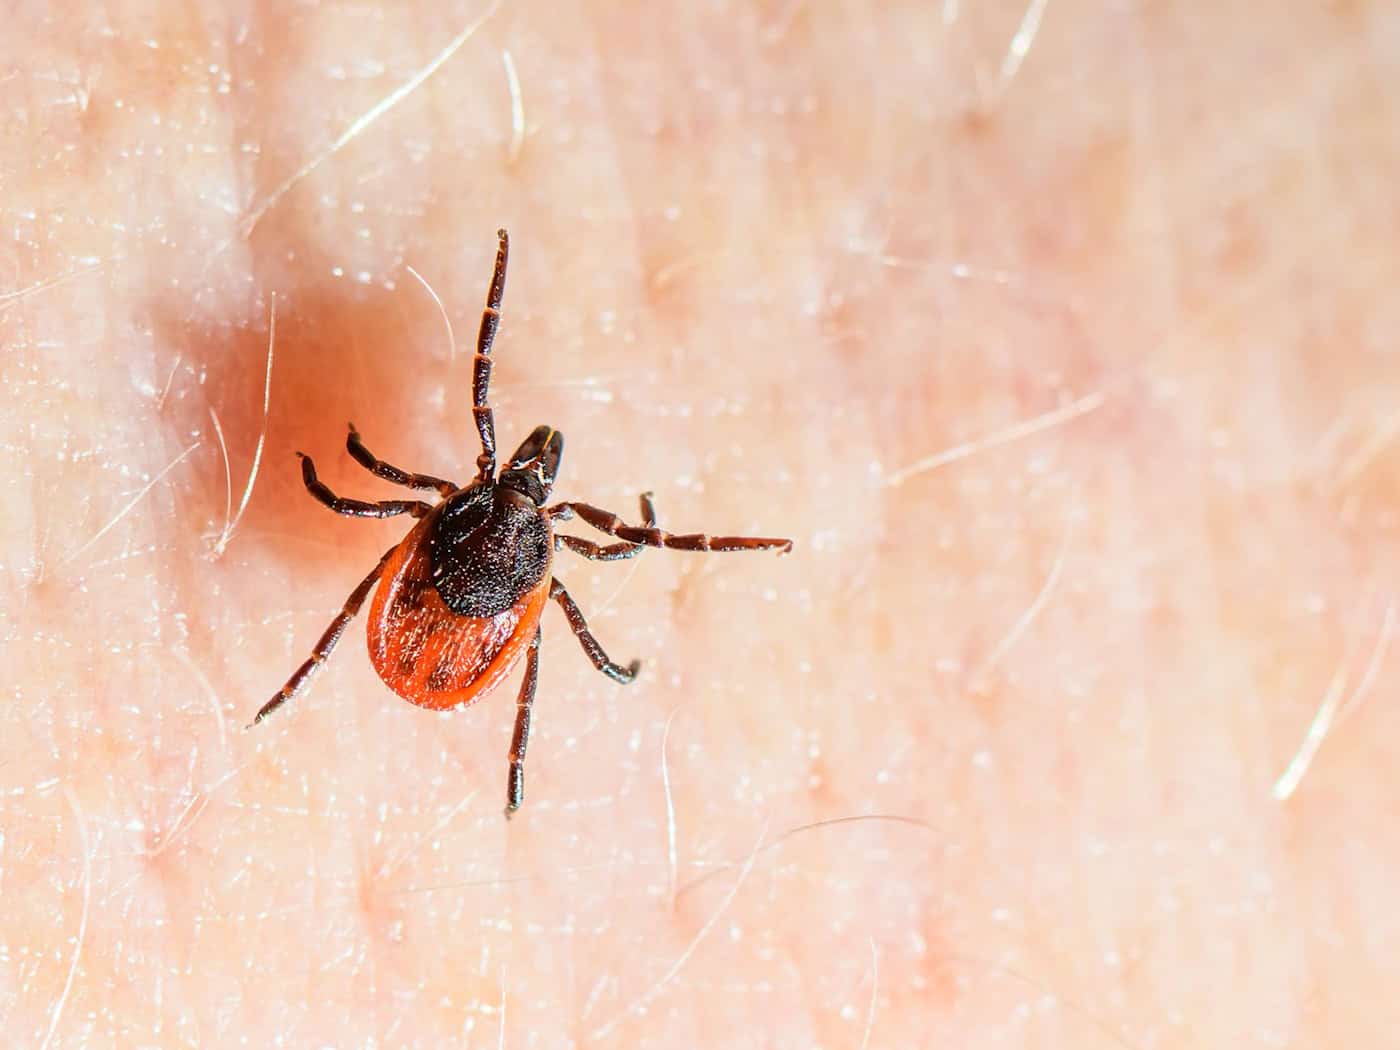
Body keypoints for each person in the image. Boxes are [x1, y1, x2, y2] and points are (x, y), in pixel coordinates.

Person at [6, 3, 1393, 1044]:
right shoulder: (534, 559)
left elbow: (384, 482)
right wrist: (549, 583)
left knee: (405, 559)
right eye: (518, 481)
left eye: (524, 492)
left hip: (436, 624)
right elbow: (537, 557)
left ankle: (347, 682)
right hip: (466, 633)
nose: (527, 481)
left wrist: (361, 479)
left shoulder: (492, 529)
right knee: (537, 637)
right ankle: (436, 723)